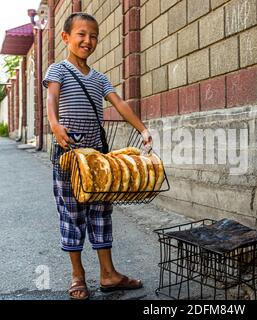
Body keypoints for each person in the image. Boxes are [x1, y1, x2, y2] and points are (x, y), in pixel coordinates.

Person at [43, 12, 152, 300]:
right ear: (66, 37)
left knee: (102, 214)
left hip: (97, 160)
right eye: (81, 34)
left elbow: (120, 104)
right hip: (68, 156)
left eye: (93, 36)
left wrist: (142, 129)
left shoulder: (100, 78)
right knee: (72, 215)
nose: (88, 41)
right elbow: (52, 99)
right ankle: (77, 276)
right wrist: (54, 124)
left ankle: (108, 274)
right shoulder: (58, 70)